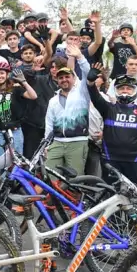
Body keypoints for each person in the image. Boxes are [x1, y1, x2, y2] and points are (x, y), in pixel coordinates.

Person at [44, 46, 91, 176]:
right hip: (57, 142)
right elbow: (49, 124)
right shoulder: (53, 100)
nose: (64, 80)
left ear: (73, 78)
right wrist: (46, 145)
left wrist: (80, 57)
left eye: (67, 77)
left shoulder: (82, 93)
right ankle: (54, 197)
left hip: (77, 141)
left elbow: (88, 73)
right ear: (57, 81)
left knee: (75, 180)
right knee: (49, 176)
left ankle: (75, 197)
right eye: (61, 78)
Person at [0, 61, 37, 170]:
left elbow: (33, 96)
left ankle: (16, 184)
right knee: (0, 160)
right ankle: (0, 184)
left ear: (7, 74)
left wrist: (24, 82)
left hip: (14, 129)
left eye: (2, 73)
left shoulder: (16, 89)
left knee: (17, 159)